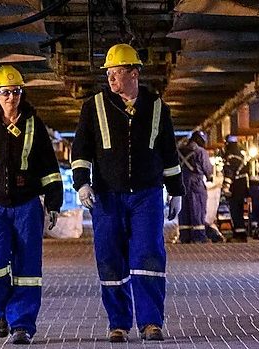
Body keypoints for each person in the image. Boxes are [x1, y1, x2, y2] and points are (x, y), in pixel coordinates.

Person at [71, 43, 184, 342]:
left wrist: (177, 191)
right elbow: (81, 150)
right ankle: (118, 323)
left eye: (117, 72)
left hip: (146, 195)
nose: (111, 78)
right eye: (109, 73)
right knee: (109, 258)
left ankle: (150, 322)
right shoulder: (93, 106)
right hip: (107, 196)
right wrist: (82, 182)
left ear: (134, 74)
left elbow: (169, 153)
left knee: (148, 255)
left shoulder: (157, 107)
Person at [0, 65, 63, 345]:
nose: (11, 97)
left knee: (28, 269)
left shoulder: (34, 124)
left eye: (16, 92)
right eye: (5, 92)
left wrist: (54, 203)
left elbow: (49, 168)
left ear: (22, 94)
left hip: (28, 206)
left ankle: (22, 325)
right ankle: (1, 311)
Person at [177, 130, 213, 243]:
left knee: (184, 210)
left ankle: (185, 236)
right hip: (196, 184)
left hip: (182, 183)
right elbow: (207, 168)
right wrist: (209, 177)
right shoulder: (201, 152)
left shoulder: (179, 151)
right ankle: (199, 237)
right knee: (197, 209)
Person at [221, 135, 249, 241]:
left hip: (235, 186)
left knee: (235, 210)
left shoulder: (230, 155)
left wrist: (226, 187)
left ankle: (239, 235)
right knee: (240, 210)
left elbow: (229, 172)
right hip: (242, 186)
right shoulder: (241, 154)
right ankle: (241, 233)